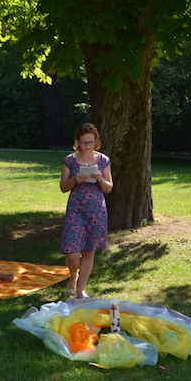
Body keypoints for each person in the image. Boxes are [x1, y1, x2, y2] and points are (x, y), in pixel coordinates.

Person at [60, 123, 113, 298]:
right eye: (84, 143)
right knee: (72, 253)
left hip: (96, 210)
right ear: (77, 142)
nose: (87, 146)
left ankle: (81, 289)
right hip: (76, 208)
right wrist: (75, 179)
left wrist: (100, 179)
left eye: (91, 142)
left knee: (89, 251)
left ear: (96, 141)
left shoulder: (103, 160)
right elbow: (63, 187)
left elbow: (108, 188)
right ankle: (73, 276)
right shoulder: (70, 160)